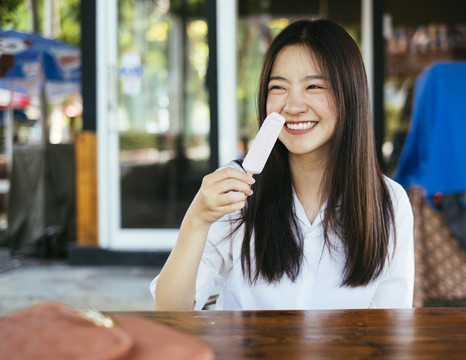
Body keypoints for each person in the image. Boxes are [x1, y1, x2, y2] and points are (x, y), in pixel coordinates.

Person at [152, 19, 414, 310]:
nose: (292, 105)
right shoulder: (234, 191)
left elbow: (393, 325)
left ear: (349, 95)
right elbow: (170, 312)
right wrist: (197, 220)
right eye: (278, 87)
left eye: (314, 86)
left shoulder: (389, 203)